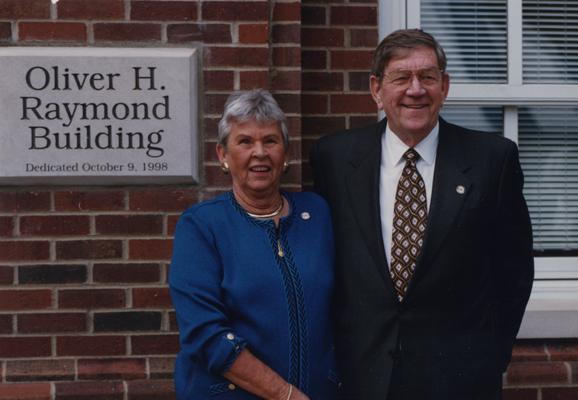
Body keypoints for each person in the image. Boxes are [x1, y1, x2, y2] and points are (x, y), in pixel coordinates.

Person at [310, 29, 534, 400]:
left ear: (444, 86)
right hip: (362, 375)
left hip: (461, 379)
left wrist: (490, 356)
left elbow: (514, 272)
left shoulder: (492, 160)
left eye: (428, 77)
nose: (416, 89)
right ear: (376, 89)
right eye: (401, 77)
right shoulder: (334, 158)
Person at [170, 89, 339, 400]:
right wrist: (285, 395)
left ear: (285, 154)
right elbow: (204, 335)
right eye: (245, 141)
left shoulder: (317, 215)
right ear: (223, 155)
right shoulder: (202, 226)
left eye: (270, 141)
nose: (259, 152)